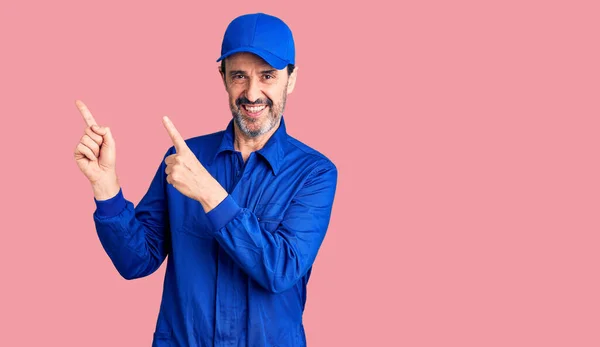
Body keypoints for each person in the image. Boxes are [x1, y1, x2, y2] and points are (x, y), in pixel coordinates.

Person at [73, 12, 338, 347]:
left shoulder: (315, 173)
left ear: (291, 78)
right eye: (239, 76)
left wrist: (210, 194)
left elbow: (280, 269)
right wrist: (106, 186)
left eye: (267, 76)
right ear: (223, 77)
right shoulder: (185, 159)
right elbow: (135, 261)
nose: (252, 93)